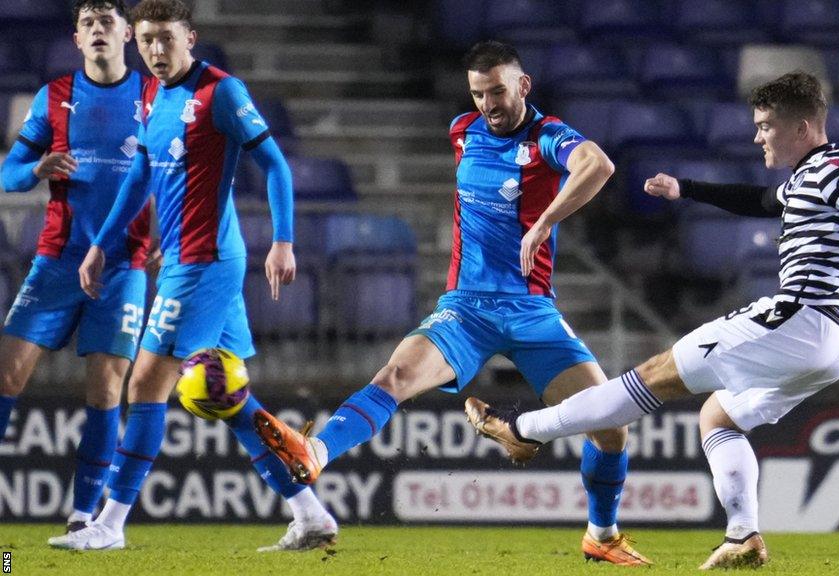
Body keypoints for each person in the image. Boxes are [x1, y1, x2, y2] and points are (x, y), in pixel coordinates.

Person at [465, 71, 839, 570]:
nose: (757, 136)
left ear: (803, 127)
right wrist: (685, 188)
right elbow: (762, 202)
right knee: (718, 417)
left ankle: (523, 429)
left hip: (804, 318)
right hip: (836, 345)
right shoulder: (810, 176)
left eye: (766, 126)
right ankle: (743, 534)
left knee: (653, 376)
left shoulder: (834, 170)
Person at [253, 40, 653, 566]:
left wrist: (545, 222)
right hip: (465, 308)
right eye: (478, 93)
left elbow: (596, 165)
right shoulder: (462, 132)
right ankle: (317, 452)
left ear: (523, 85)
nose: (489, 103)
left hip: (533, 311)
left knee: (611, 426)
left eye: (498, 91)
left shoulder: (547, 137)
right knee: (393, 376)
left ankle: (601, 533)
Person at [49, 0, 336, 552]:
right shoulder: (154, 93)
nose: (157, 51)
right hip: (184, 257)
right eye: (149, 39)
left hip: (206, 261)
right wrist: (101, 248)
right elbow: (140, 177)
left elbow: (274, 163)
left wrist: (282, 241)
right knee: (226, 398)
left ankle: (109, 524)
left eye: (168, 39)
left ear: (191, 37)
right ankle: (310, 512)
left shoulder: (221, 92)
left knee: (146, 384)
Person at [0, 0, 156, 536]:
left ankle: (83, 517)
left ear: (128, 34)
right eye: (87, 23)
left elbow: (179, 173)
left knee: (107, 388)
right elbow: (9, 176)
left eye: (106, 21)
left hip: (124, 266)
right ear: (76, 37)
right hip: (57, 261)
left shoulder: (153, 97)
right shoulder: (56, 97)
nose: (97, 31)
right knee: (6, 372)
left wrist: (168, 232)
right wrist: (36, 167)